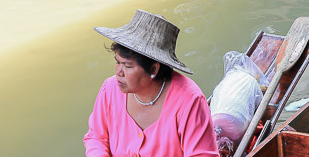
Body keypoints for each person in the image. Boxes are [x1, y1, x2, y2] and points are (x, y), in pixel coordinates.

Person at [85, 10, 218, 157]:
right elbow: (96, 137)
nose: (119, 72)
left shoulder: (189, 101)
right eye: (117, 62)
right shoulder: (109, 89)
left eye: (128, 66)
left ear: (154, 69)